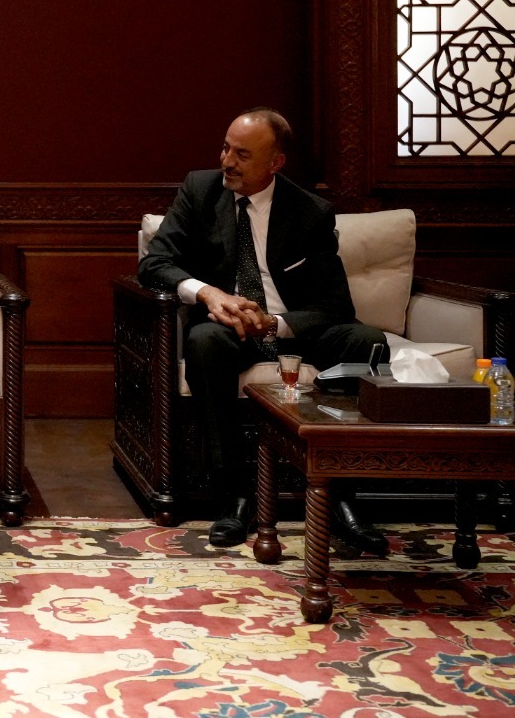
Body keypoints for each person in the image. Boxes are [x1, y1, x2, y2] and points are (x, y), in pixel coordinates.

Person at [139, 108, 389, 554]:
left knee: (367, 341)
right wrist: (209, 294)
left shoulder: (310, 212)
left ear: (275, 163)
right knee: (203, 341)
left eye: (242, 154)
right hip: (229, 330)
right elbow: (154, 264)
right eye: (225, 148)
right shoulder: (200, 190)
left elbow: (336, 305)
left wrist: (275, 323)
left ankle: (341, 494)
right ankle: (236, 493)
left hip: (289, 328)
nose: (227, 162)